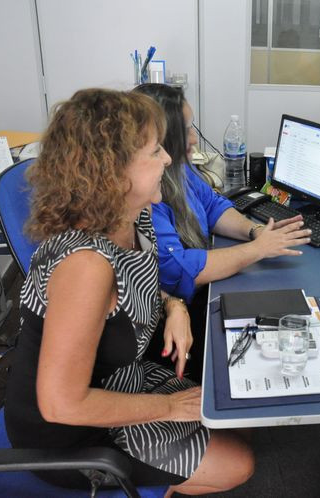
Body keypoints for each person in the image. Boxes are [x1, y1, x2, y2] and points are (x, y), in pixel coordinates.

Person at [4, 88, 253, 495]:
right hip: (70, 434)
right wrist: (170, 408)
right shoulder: (84, 265)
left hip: (120, 380)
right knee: (237, 462)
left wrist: (174, 306)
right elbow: (60, 404)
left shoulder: (134, 219)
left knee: (231, 413)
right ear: (113, 172)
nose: (169, 158)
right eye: (155, 151)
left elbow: (138, 288)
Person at [133, 83, 310, 379]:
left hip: (180, 303)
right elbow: (179, 269)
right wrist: (257, 250)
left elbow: (212, 204)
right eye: (186, 130)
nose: (193, 138)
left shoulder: (178, 168)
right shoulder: (146, 194)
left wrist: (255, 231)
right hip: (169, 325)